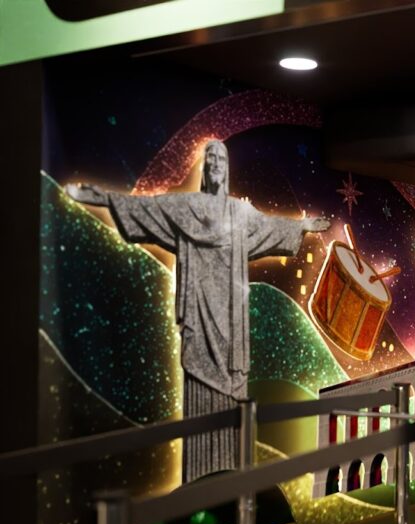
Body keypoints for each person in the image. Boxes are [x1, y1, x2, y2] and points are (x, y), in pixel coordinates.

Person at [65, 139, 331, 482]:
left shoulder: (239, 214)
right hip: (199, 315)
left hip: (231, 320)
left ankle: (230, 482)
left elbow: (270, 226)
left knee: (233, 398)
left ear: (227, 169)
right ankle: (200, 484)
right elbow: (146, 209)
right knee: (201, 394)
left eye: (221, 160)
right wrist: (101, 198)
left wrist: (303, 226)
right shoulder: (186, 207)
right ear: (206, 170)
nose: (216, 165)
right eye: (212, 160)